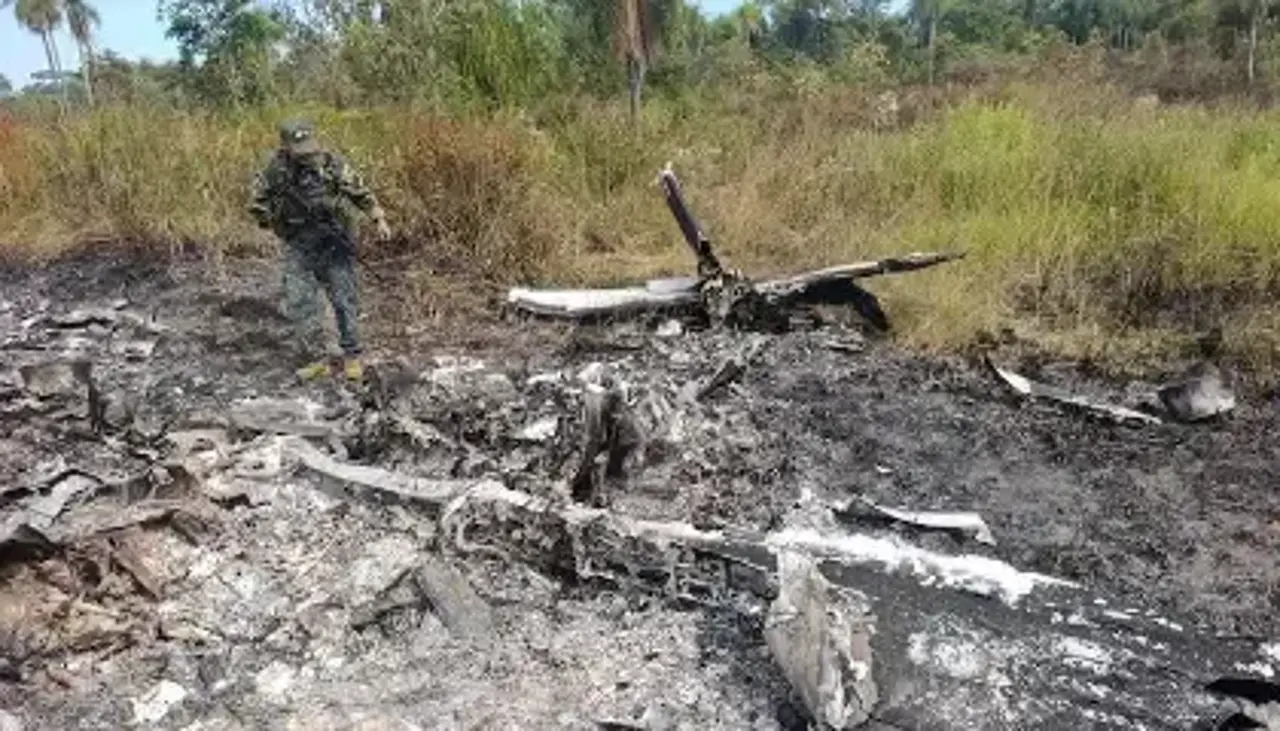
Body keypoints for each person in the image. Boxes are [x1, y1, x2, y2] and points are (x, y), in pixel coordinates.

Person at [249, 119, 391, 382]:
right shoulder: (275, 171)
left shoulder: (331, 165)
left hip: (334, 241)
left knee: (342, 297)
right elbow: (257, 205)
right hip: (299, 244)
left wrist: (379, 219)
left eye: (308, 147)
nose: (306, 154)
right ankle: (317, 360)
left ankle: (352, 355)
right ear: (285, 146)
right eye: (299, 149)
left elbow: (361, 193)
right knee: (300, 301)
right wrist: (276, 218)